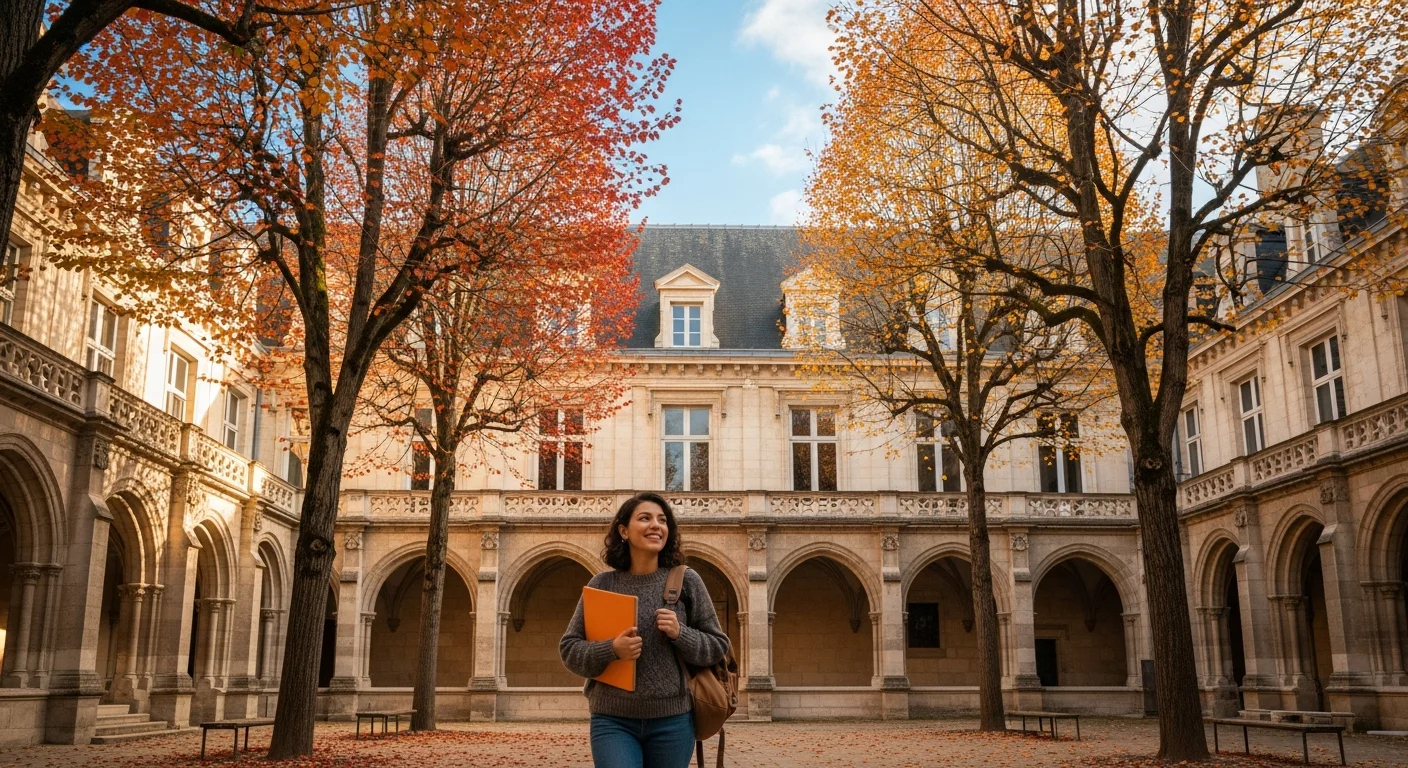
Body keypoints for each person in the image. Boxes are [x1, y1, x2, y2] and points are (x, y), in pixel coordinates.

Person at [560, 492, 730, 768]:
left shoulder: (686, 580)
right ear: (623, 530)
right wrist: (611, 649)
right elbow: (569, 649)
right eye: (645, 518)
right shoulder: (602, 584)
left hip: (673, 721)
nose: (656, 525)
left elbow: (717, 646)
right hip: (612, 721)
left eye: (662, 520)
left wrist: (680, 633)